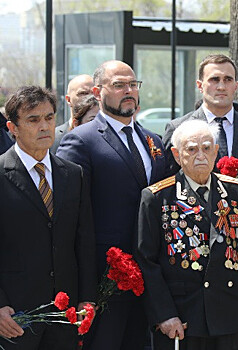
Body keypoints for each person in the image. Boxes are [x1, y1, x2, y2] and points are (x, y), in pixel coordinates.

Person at [57, 60, 166, 350]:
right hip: (104, 280)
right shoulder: (80, 141)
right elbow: (72, 219)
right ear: (97, 91)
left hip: (150, 280)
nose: (128, 91)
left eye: (133, 84)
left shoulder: (153, 141)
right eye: (118, 85)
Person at [137, 119, 238, 350]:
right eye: (191, 149)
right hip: (182, 318)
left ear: (216, 151)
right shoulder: (157, 197)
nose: (200, 155)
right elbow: (147, 262)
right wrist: (164, 314)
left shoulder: (236, 191)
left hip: (229, 314)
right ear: (177, 155)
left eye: (207, 148)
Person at [0, 86, 96, 349]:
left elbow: (84, 241)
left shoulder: (73, 174)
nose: (44, 126)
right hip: (15, 316)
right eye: (33, 120)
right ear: (13, 127)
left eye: (49, 117)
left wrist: (87, 298)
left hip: (65, 314)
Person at [162, 54, 238, 193]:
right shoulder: (178, 128)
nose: (221, 86)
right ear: (200, 85)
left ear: (235, 86)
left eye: (228, 79)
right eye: (214, 79)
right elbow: (168, 182)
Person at [51, 74, 94, 154]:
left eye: (94, 93)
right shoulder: (53, 138)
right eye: (83, 93)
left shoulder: (110, 135)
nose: (90, 98)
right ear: (68, 99)